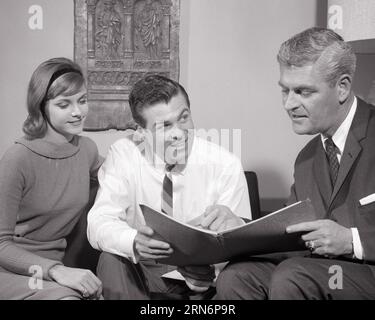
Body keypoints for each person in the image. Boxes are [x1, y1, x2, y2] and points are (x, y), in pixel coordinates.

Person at [215, 27, 375, 300]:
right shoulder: (306, 158)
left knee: (294, 275)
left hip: (365, 272)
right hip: (324, 271)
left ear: (342, 87)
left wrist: (351, 240)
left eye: (303, 91)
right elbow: (290, 236)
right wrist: (238, 230)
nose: (289, 104)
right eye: (285, 90)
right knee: (237, 276)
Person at [87, 74, 252, 299]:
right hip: (144, 270)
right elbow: (98, 223)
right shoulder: (123, 154)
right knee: (111, 259)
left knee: (234, 275)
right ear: (141, 131)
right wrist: (134, 241)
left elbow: (243, 245)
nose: (179, 133)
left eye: (184, 118)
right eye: (165, 126)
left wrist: (211, 270)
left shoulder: (225, 164)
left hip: (202, 279)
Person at [0, 57, 103, 300]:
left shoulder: (86, 149)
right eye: (63, 104)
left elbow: (122, 176)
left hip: (56, 274)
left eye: (83, 101)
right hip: (11, 270)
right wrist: (57, 271)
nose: (78, 112)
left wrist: (141, 149)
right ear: (41, 107)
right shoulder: (18, 158)